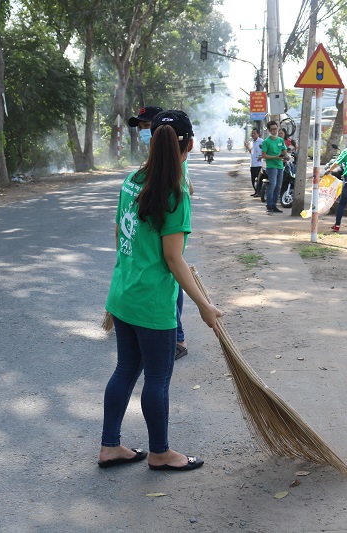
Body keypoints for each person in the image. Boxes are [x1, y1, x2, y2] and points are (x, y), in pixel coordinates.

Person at [100, 110, 222, 472]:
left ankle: (110, 446)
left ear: (150, 142)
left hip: (123, 293)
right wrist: (205, 305)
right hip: (153, 303)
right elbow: (173, 258)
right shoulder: (174, 195)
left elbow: (122, 237)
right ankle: (160, 452)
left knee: (125, 369)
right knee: (156, 378)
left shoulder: (131, 181)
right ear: (190, 145)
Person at [129, 105, 193, 360]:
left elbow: (172, 257)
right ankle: (177, 337)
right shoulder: (139, 175)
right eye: (141, 128)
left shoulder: (172, 182)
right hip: (143, 279)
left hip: (152, 278)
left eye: (146, 127)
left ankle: (178, 338)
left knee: (172, 281)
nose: (143, 133)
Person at [261, 120, 288, 214]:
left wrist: (286, 156)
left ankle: (274, 205)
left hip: (280, 165)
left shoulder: (280, 140)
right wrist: (275, 157)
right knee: (272, 185)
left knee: (278, 186)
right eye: (272, 129)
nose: (274, 131)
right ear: (269, 130)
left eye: (276, 129)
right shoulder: (266, 142)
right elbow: (264, 155)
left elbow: (284, 150)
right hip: (271, 166)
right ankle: (269, 206)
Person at [247, 128, 264, 196]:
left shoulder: (261, 141)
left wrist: (262, 156)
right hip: (252, 163)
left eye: (254, 133)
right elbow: (251, 151)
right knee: (253, 179)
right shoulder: (251, 142)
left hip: (259, 164)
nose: (253, 134)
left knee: (259, 179)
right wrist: (247, 147)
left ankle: (259, 192)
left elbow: (265, 150)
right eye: (252, 133)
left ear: (258, 134)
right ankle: (256, 191)